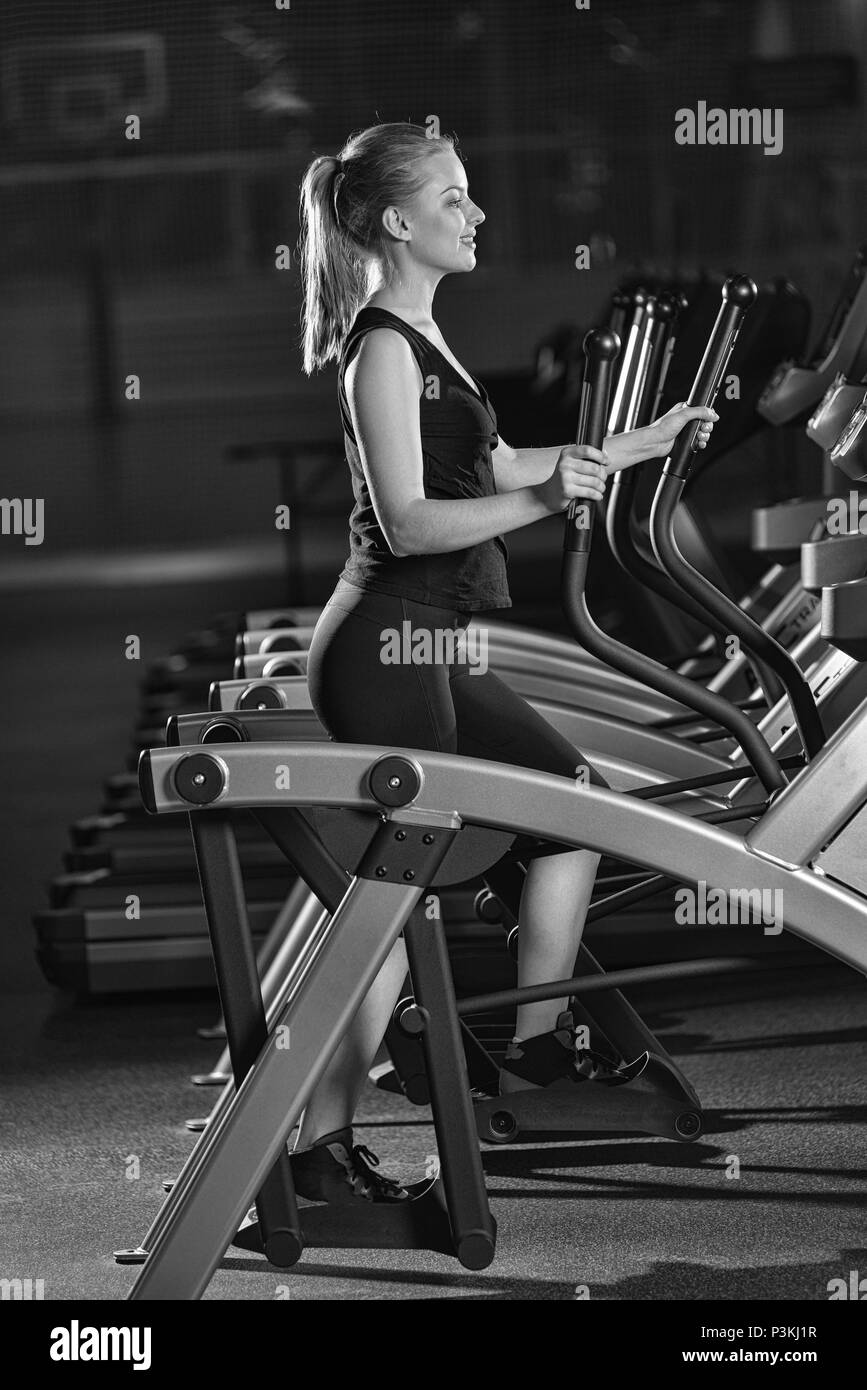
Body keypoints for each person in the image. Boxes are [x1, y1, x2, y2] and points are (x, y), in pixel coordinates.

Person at [286, 122, 716, 1205]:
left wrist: (635, 444)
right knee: (395, 899)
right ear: (397, 221)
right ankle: (316, 1153)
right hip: (388, 642)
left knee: (573, 807)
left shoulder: (427, 336)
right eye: (455, 200)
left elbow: (489, 459)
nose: (477, 216)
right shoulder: (382, 345)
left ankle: (533, 1046)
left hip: (434, 641)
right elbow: (410, 518)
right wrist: (539, 502)